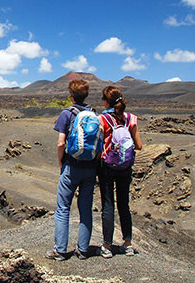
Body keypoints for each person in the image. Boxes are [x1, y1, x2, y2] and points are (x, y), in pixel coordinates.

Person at [47, 78, 102, 260]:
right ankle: (83, 249)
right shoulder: (94, 113)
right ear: (86, 95)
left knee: (63, 208)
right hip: (90, 168)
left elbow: (61, 142)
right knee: (85, 208)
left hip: (71, 167)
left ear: (71, 97)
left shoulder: (67, 114)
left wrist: (61, 161)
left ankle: (61, 251)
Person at [98, 84, 142, 258]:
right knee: (124, 204)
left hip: (107, 167)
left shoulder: (102, 119)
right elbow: (138, 145)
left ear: (106, 102)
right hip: (125, 167)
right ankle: (128, 244)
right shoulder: (131, 119)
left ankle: (107, 246)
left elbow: (98, 143)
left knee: (108, 205)